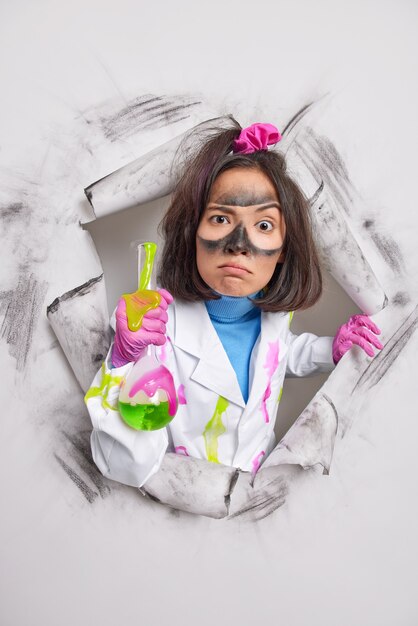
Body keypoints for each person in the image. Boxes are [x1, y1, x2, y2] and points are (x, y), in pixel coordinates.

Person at [84, 117, 383, 489]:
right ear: (191, 235)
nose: (239, 243)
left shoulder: (273, 316)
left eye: (263, 225)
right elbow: (125, 466)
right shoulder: (154, 330)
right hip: (184, 510)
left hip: (258, 504)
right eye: (221, 218)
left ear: (283, 253)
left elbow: (275, 357)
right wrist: (124, 359)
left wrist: (329, 350)